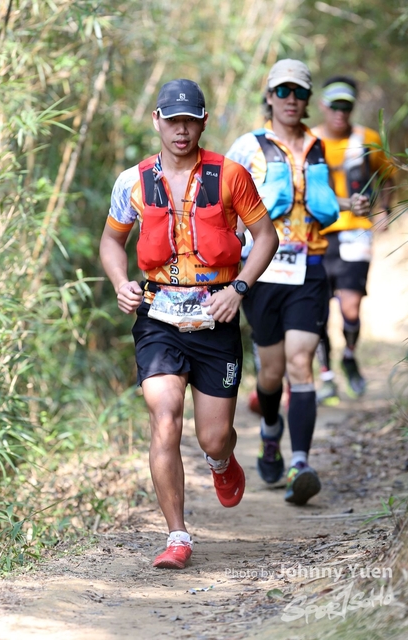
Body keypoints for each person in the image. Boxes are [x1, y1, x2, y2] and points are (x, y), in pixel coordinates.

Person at [99, 78, 278, 570]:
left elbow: (265, 236)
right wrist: (120, 282)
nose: (181, 130)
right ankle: (177, 536)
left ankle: (221, 461)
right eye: (173, 120)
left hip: (216, 317)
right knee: (165, 416)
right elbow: (112, 241)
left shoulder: (231, 175)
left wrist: (238, 288)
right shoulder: (132, 181)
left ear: (203, 123)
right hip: (157, 316)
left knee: (213, 437)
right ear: (156, 121)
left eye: (190, 121)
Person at [226, 59, 364, 506]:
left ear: (308, 100)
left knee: (301, 361)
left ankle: (300, 464)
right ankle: (270, 433)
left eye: (299, 92)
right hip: (262, 273)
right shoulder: (248, 147)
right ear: (269, 96)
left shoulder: (317, 146)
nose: (290, 99)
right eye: (282, 91)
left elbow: (319, 200)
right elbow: (223, 202)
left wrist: (351, 203)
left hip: (310, 269)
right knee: (270, 372)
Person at [312, 76, 395, 405]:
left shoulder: (367, 139)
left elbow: (387, 174)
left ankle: (348, 355)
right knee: (317, 309)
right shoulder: (310, 140)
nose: (340, 113)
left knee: (350, 305)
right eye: (335, 106)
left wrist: (385, 210)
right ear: (323, 106)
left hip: (356, 230)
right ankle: (326, 375)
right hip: (316, 233)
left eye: (346, 107)